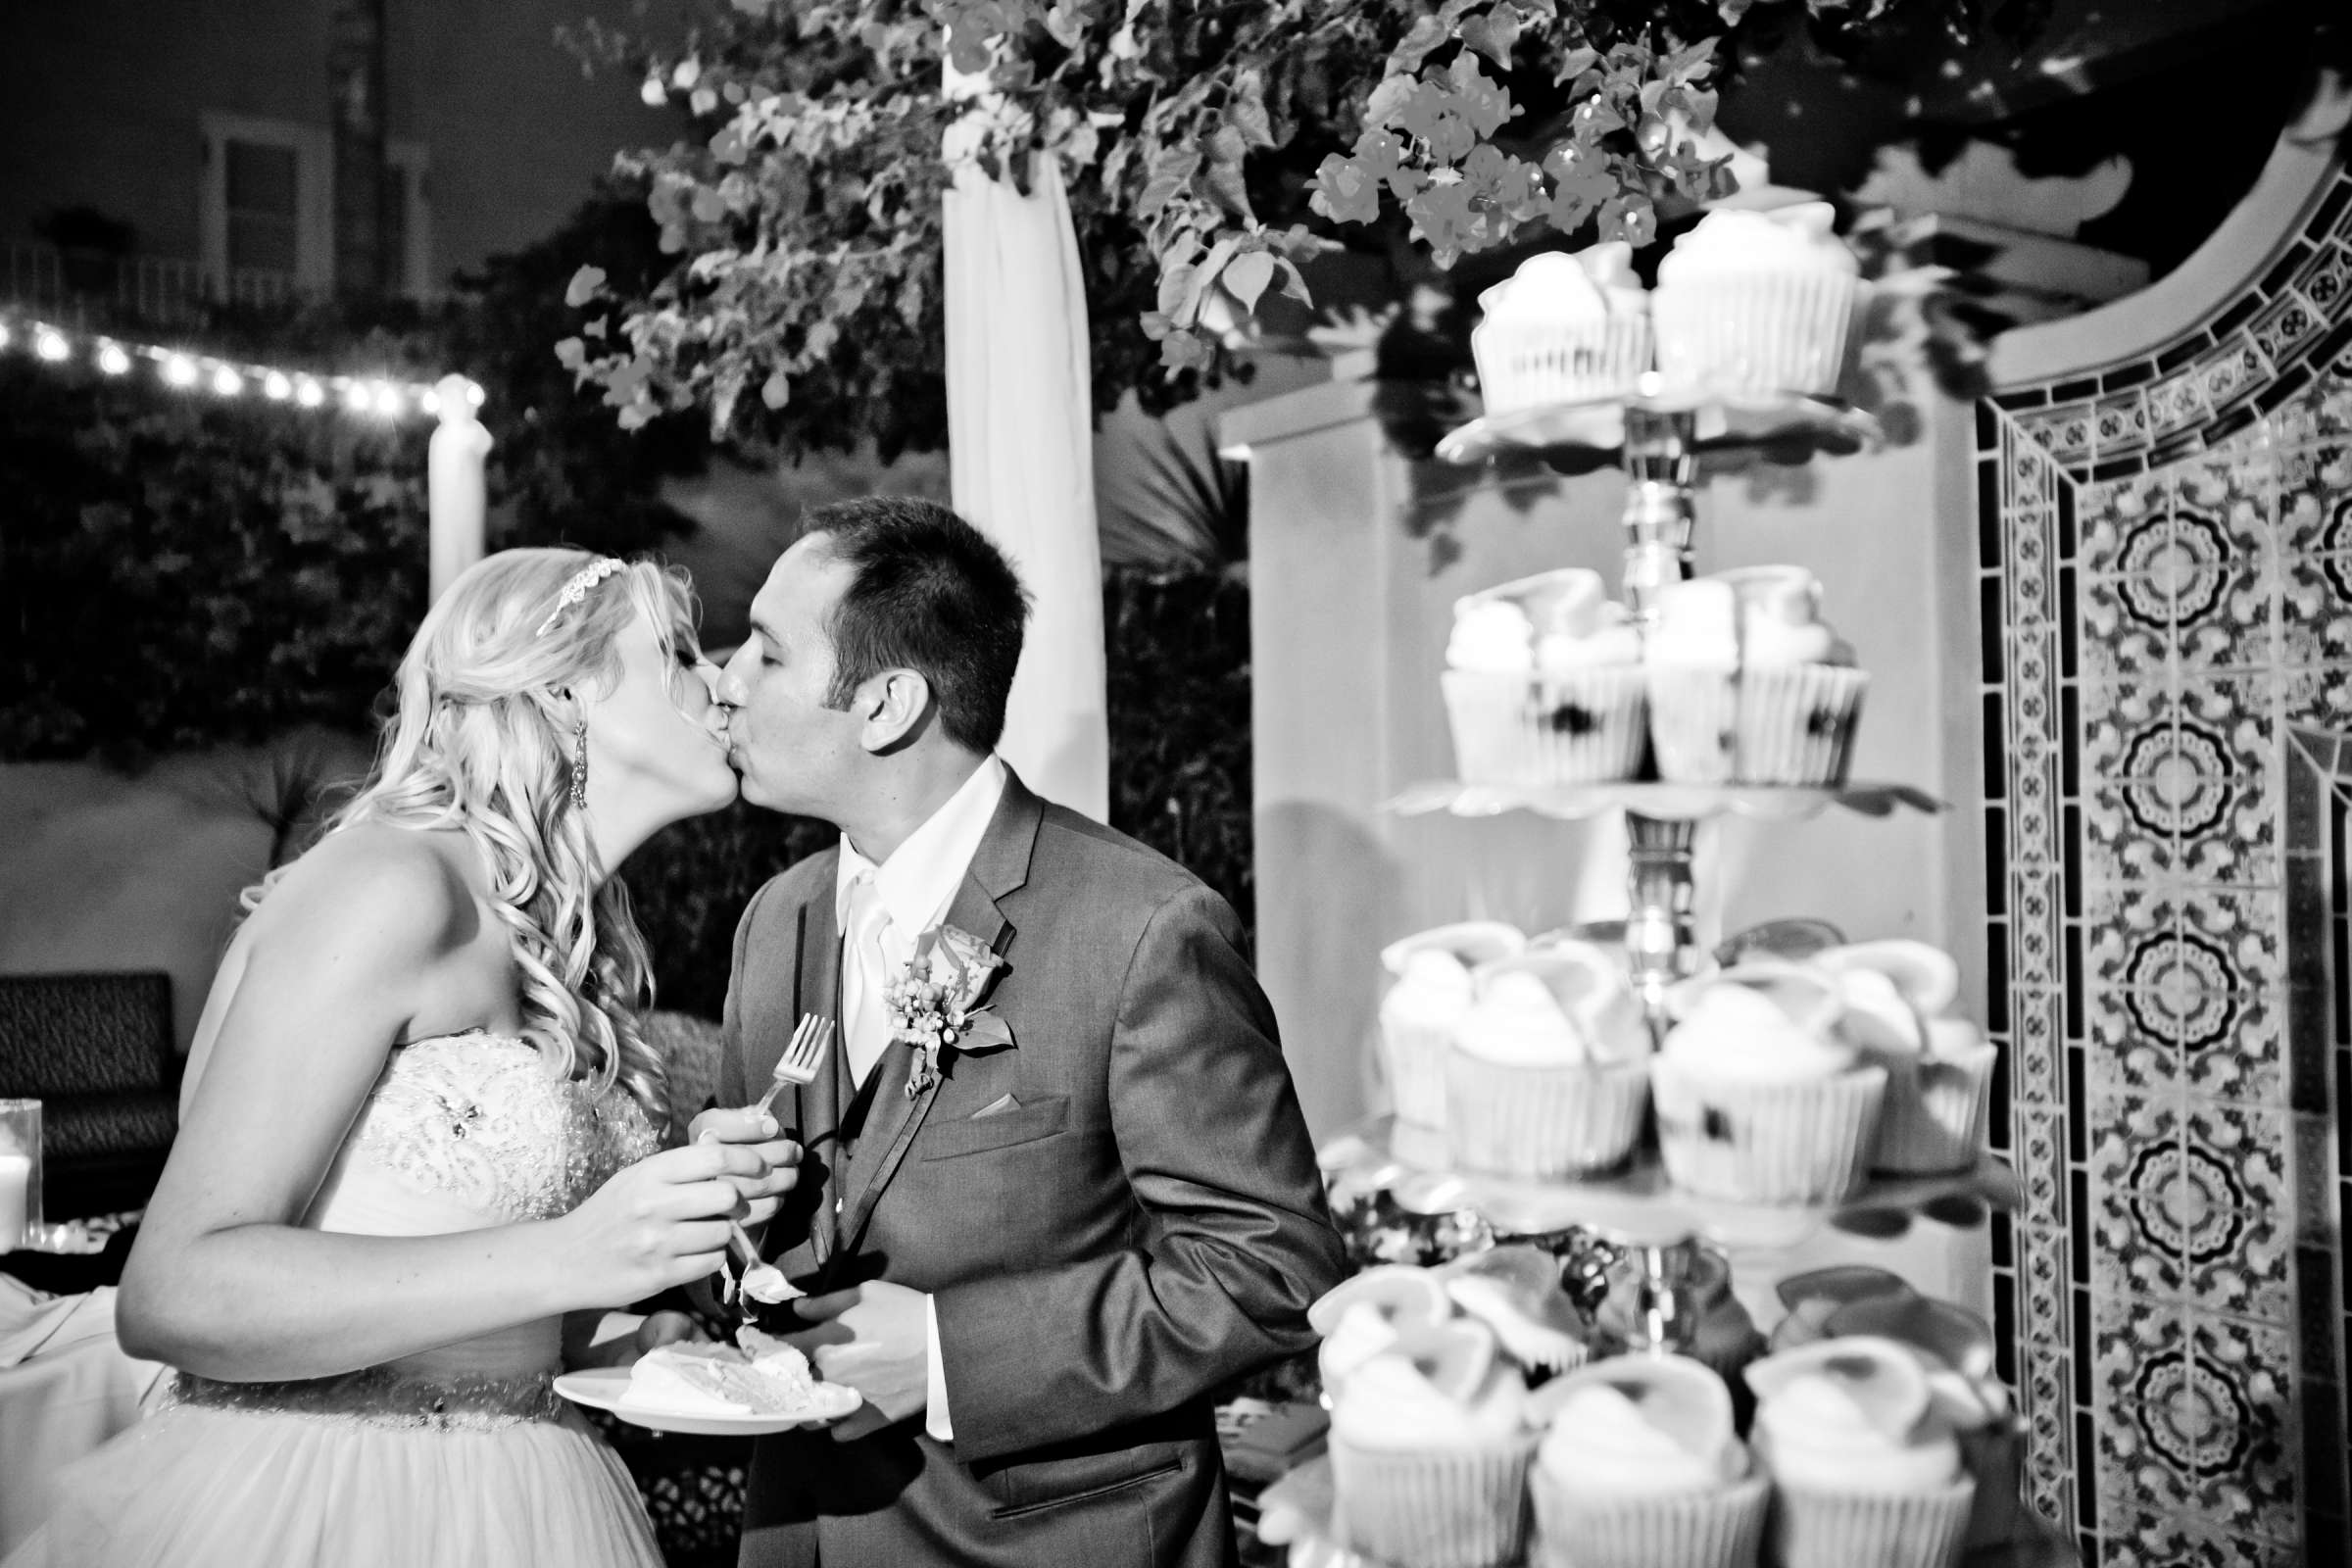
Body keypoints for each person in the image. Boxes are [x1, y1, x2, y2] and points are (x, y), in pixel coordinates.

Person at [6, 550, 800, 1567]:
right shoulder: (393, 883)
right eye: (682, 653)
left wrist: (633, 1323)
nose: (723, 678)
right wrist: (579, 1252)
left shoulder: (567, 950)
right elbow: (176, 1290)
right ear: (561, 687)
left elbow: (477, 1297)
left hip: (526, 1499)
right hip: (318, 1500)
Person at [692, 497, 1345, 1567]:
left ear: (888, 704)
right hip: (803, 1532)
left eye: (766, 652)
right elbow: (776, 1244)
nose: (727, 679)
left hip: (1052, 1539)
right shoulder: (779, 918)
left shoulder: (1140, 927)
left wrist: (952, 1358)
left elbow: (1274, 1270)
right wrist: (723, 1219)